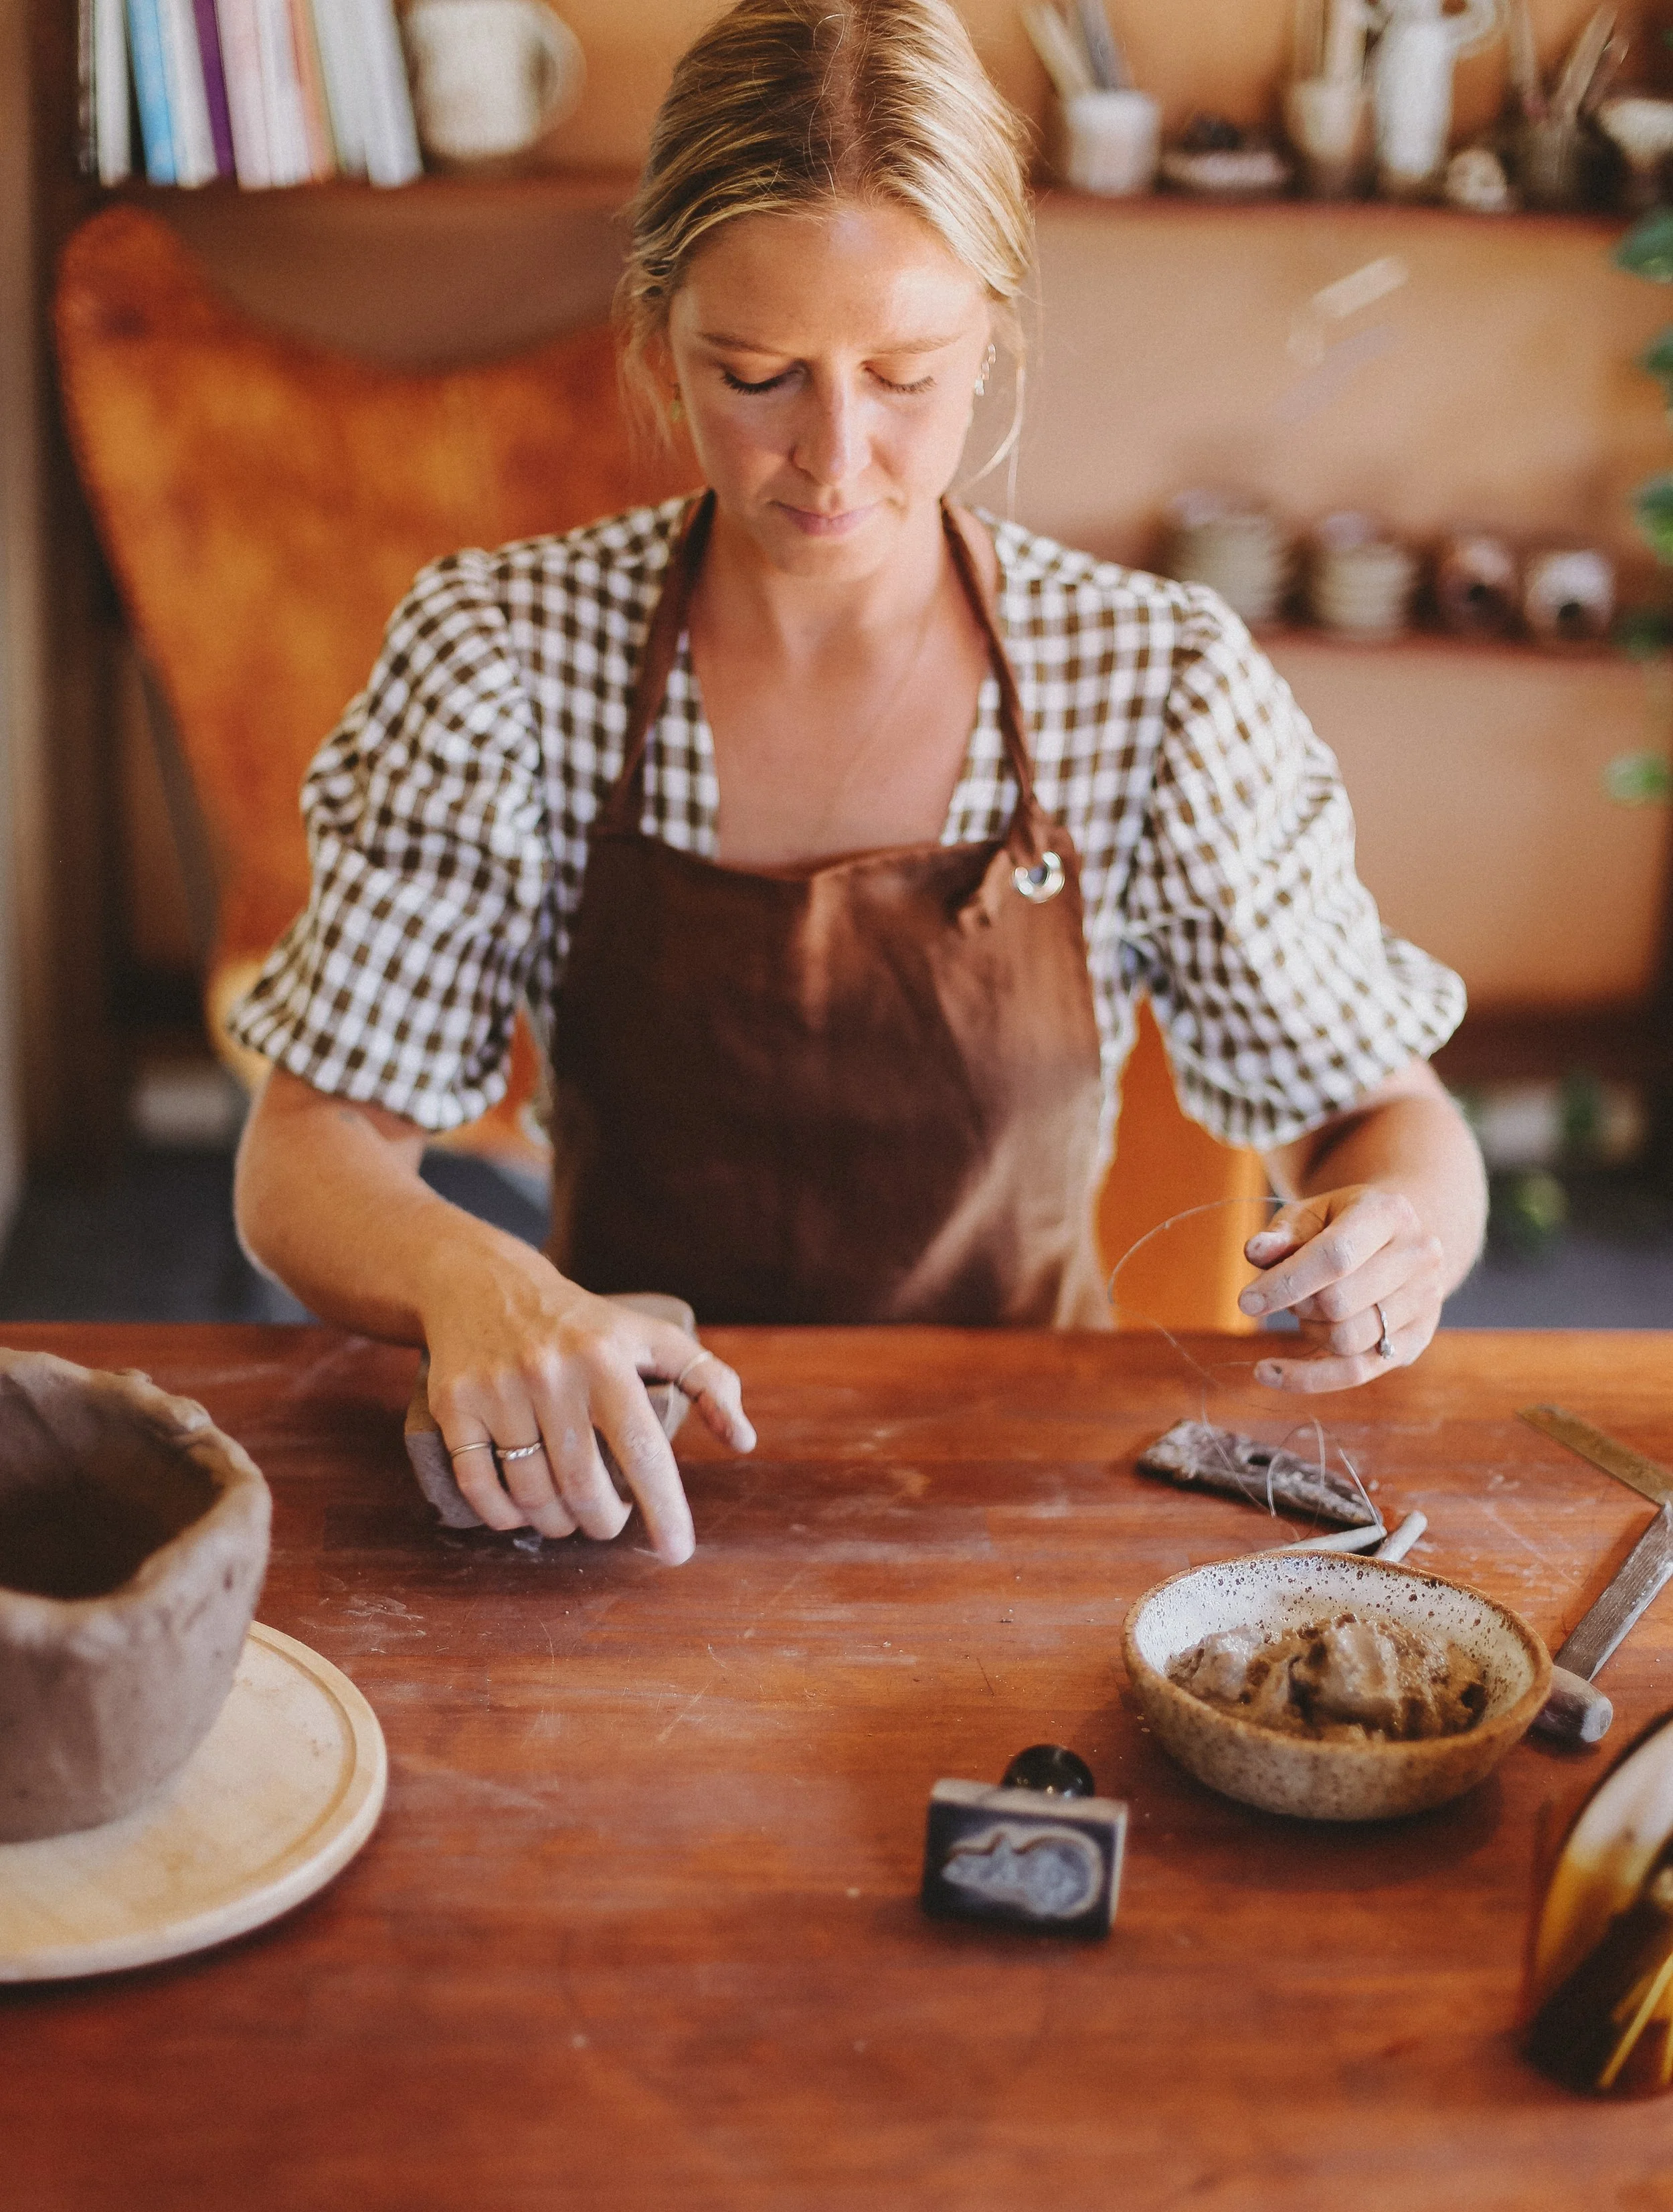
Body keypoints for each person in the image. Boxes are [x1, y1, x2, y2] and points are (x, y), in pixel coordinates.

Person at [232, 0, 1486, 1568]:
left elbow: (1381, 1116)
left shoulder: (1153, 679)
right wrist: (472, 1285)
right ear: (651, 341)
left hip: (1020, 1488)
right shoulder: (505, 656)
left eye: (904, 376)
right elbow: (309, 1156)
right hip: (619, 1474)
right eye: (755, 374)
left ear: (995, 338)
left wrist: (1396, 1237)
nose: (832, 462)